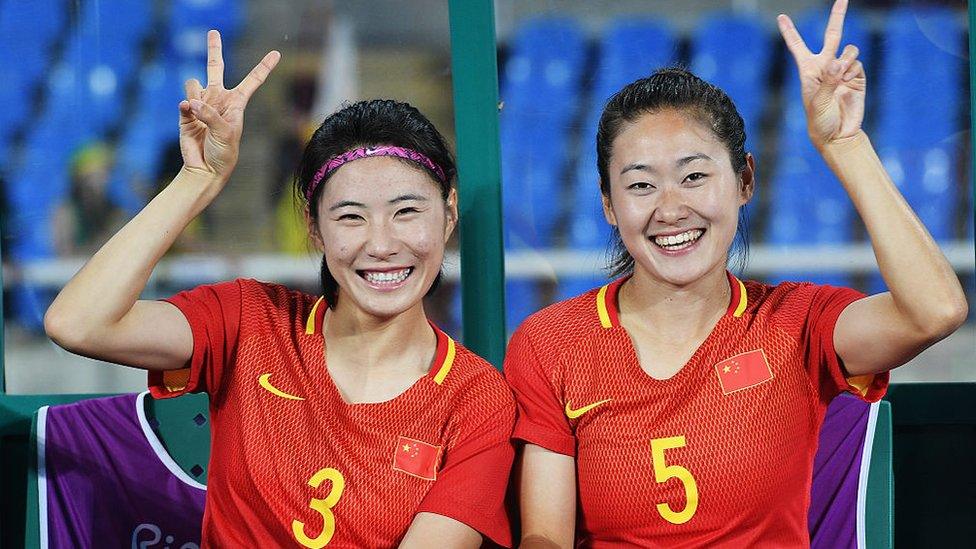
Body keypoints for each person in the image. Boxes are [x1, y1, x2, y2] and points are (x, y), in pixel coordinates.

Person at [506, 1, 967, 546]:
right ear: (608, 204)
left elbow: (934, 311)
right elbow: (546, 538)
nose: (670, 208)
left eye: (694, 176)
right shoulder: (550, 342)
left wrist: (845, 145)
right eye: (640, 185)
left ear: (744, 181)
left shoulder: (796, 323)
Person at [44, 30, 515, 548]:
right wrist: (197, 180)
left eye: (406, 212)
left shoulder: (475, 400)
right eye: (350, 217)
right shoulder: (250, 319)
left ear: (447, 216)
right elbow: (78, 322)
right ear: (315, 230)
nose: (381, 245)